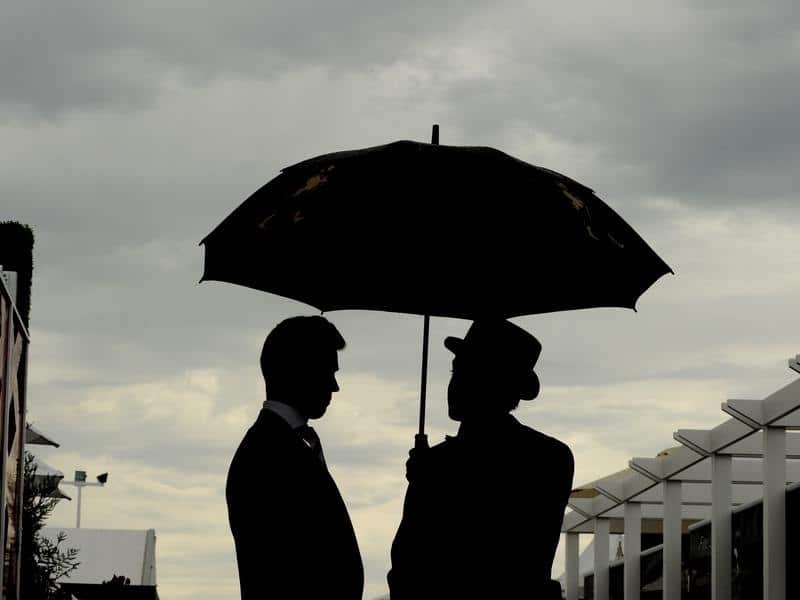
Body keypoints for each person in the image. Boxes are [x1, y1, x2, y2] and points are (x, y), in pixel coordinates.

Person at [388, 319, 574, 599]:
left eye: (466, 372)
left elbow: (412, 567)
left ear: (493, 383)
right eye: (455, 371)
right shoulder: (552, 455)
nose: (454, 383)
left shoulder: (439, 467)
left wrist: (432, 483)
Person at [226, 316, 363, 599]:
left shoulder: (271, 447)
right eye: (328, 372)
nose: (335, 386)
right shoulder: (267, 457)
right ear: (301, 371)